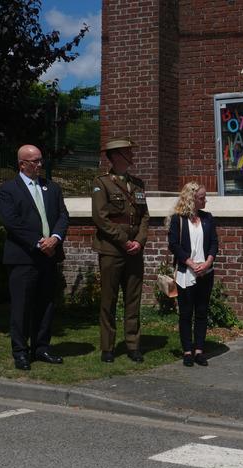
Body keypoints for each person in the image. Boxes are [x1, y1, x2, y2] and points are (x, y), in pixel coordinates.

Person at [0, 144, 69, 370]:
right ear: (22, 164)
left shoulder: (52, 188)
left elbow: (62, 216)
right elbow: (12, 222)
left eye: (40, 160)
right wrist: (40, 242)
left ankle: (41, 347)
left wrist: (55, 238)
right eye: (35, 161)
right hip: (23, 257)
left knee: (46, 304)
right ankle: (20, 351)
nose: (40, 164)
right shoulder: (9, 189)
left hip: (49, 256)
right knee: (21, 306)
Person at [92, 137, 149, 363]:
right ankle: (108, 347)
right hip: (112, 250)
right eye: (128, 153)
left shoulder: (138, 184)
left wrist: (140, 241)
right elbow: (101, 218)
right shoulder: (102, 182)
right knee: (109, 299)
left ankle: (133, 344)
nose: (132, 156)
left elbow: (144, 216)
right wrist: (125, 240)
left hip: (135, 250)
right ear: (117, 157)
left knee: (133, 299)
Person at [168, 183, 218, 367]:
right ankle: (187, 350)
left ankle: (199, 350)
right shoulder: (178, 219)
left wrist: (207, 263)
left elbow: (214, 243)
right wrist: (190, 263)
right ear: (191, 199)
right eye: (202, 198)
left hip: (205, 272)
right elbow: (174, 245)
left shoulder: (208, 218)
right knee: (186, 313)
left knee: (202, 312)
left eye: (205, 197)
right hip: (186, 273)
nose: (205, 200)